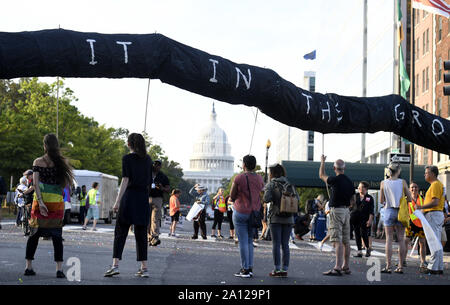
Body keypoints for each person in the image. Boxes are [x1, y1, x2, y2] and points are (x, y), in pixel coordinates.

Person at [24, 133, 74, 278]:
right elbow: (65, 184)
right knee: (57, 236)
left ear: (45, 145)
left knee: (33, 234)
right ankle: (59, 269)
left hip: (40, 202)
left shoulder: (37, 162)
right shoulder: (61, 163)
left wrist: (40, 202)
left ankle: (28, 267)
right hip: (56, 203)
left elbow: (35, 184)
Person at [104, 133, 152, 278]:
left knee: (120, 232)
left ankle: (115, 265)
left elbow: (125, 180)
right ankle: (144, 268)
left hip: (129, 197)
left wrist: (117, 201)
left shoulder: (127, 159)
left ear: (130, 144)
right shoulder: (148, 159)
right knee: (141, 234)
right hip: (143, 198)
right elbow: (149, 181)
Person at [319, 155, 355, 276]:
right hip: (346, 212)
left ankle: (337, 267)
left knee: (337, 240)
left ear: (335, 168)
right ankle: (346, 266)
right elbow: (353, 200)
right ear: (344, 168)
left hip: (337, 211)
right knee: (346, 241)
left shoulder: (334, 180)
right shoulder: (350, 181)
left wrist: (322, 162)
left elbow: (321, 175)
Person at [230, 155, 264, 278]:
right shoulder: (259, 178)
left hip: (241, 211)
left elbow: (232, 195)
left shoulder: (239, 178)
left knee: (243, 241)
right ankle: (249, 267)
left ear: (244, 165)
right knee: (250, 241)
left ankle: (244, 269)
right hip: (253, 212)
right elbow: (261, 192)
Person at [263, 163, 299, 277]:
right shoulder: (290, 184)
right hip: (289, 218)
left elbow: (266, 199)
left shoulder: (271, 184)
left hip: (276, 217)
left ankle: (277, 269)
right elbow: (297, 199)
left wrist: (269, 192)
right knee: (285, 245)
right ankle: (285, 269)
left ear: (273, 173)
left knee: (276, 244)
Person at [379, 162, 412, 274]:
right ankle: (400, 266)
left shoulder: (383, 183)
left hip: (388, 210)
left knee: (389, 239)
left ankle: (388, 266)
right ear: (398, 171)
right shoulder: (402, 182)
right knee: (401, 239)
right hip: (400, 211)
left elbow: (381, 200)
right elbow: (410, 198)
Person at [416, 165, 445, 275]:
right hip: (436, 214)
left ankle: (433, 267)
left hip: (433, 214)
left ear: (433, 174)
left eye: (427, 173)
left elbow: (435, 202)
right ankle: (438, 267)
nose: (425, 174)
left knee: (433, 241)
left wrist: (420, 207)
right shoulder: (438, 184)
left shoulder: (435, 185)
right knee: (436, 241)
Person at [404, 182, 427, 271]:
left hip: (420, 224)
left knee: (422, 243)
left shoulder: (422, 199)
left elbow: (425, 210)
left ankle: (423, 261)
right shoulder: (406, 199)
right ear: (409, 189)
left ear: (418, 188)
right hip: (410, 223)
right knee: (406, 241)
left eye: (416, 187)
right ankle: (403, 260)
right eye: (412, 187)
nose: (414, 189)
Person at [148, 159, 170, 246]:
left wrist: (162, 188)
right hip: (147, 197)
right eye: (155, 164)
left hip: (157, 198)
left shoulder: (163, 176)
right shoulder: (147, 174)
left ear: (160, 166)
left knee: (155, 218)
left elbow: (168, 189)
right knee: (146, 218)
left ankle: (155, 236)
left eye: (158, 165)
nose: (156, 166)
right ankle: (148, 236)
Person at [352, 181, 374, 258]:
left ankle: (367, 248)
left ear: (365, 188)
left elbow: (371, 210)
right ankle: (359, 251)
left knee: (364, 234)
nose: (358, 188)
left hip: (364, 218)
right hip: (355, 218)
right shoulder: (355, 196)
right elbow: (351, 206)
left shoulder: (369, 198)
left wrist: (370, 220)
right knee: (357, 234)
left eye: (360, 187)